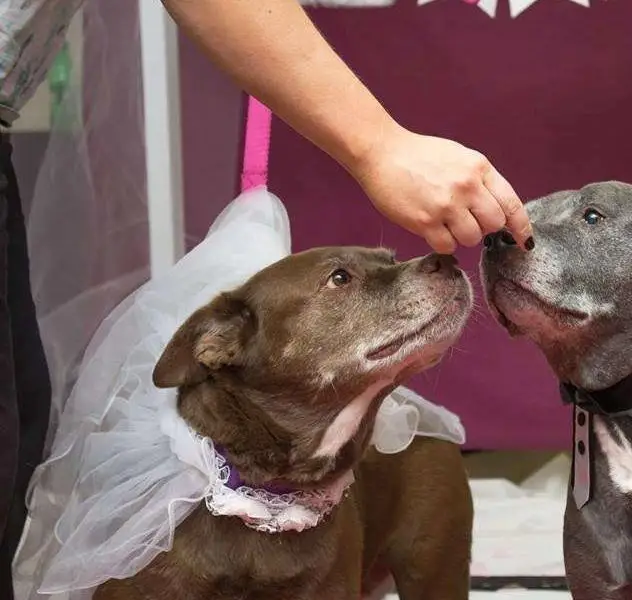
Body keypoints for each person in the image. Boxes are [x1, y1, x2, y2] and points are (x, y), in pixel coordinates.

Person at [0, 1, 533, 597]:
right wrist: (380, 145)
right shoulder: (151, 542)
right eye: (342, 279)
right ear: (219, 345)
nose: (420, 269)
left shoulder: (405, 465)